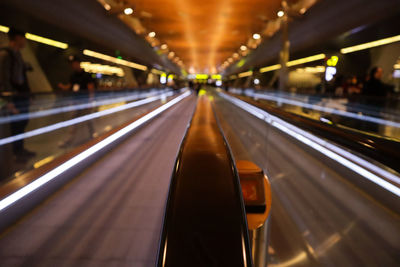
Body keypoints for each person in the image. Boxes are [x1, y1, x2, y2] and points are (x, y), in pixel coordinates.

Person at [0, 28, 36, 160]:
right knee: (14, 126)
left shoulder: (17, 55)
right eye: (23, 38)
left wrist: (29, 95)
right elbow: (3, 80)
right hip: (12, 97)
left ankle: (19, 150)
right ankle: (14, 153)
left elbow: (22, 77)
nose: (25, 41)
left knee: (21, 123)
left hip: (21, 96)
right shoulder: (5, 54)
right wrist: (7, 101)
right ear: (16, 38)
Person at [58, 56, 96, 148]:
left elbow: (90, 88)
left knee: (88, 120)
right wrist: (63, 87)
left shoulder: (86, 75)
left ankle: (92, 135)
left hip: (85, 102)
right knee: (73, 121)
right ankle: (69, 140)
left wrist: (90, 102)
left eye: (75, 63)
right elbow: (70, 86)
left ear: (79, 63)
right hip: (76, 103)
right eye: (72, 64)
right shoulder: (73, 76)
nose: (73, 66)